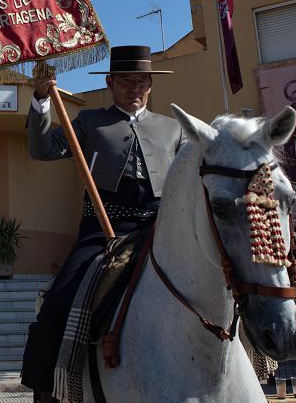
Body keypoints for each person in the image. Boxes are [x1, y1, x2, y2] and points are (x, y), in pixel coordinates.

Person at [20, 45, 183, 399]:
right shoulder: (89, 122)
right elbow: (42, 149)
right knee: (57, 303)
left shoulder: (173, 128)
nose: (134, 89)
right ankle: (47, 387)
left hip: (160, 228)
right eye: (126, 81)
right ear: (110, 82)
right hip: (103, 231)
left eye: (142, 82)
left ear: (151, 85)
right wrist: (41, 98)